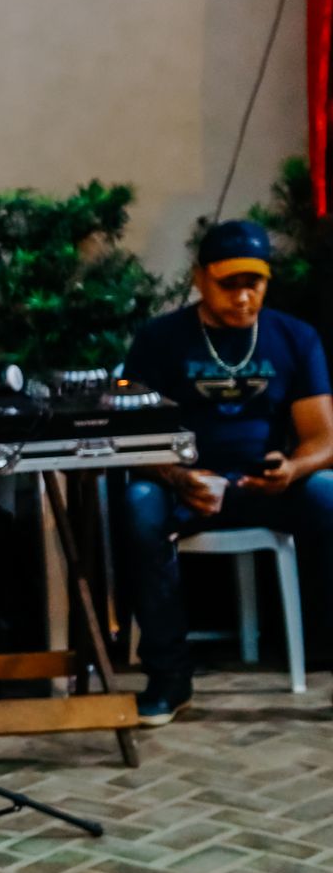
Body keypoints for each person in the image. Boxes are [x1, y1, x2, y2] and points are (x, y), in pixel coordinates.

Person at [119, 218, 333, 725]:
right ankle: (169, 680)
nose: (242, 297)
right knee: (138, 504)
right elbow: (131, 440)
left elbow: (324, 439)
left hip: (266, 485)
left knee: (328, 495)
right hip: (186, 482)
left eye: (252, 283)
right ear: (199, 278)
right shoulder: (160, 339)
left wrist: (293, 466)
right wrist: (178, 477)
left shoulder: (294, 338)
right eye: (228, 283)